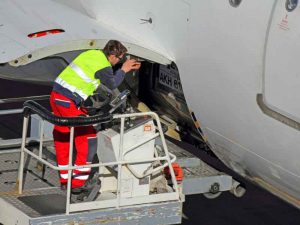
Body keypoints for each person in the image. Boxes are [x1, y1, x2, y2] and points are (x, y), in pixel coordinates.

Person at [49, 40, 141, 193]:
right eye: (119, 59)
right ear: (112, 55)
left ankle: (65, 179)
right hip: (67, 102)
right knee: (88, 139)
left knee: (63, 136)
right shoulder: (104, 66)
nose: (119, 62)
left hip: (57, 96)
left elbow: (87, 76)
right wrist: (124, 69)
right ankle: (78, 184)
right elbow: (112, 84)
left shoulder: (92, 53)